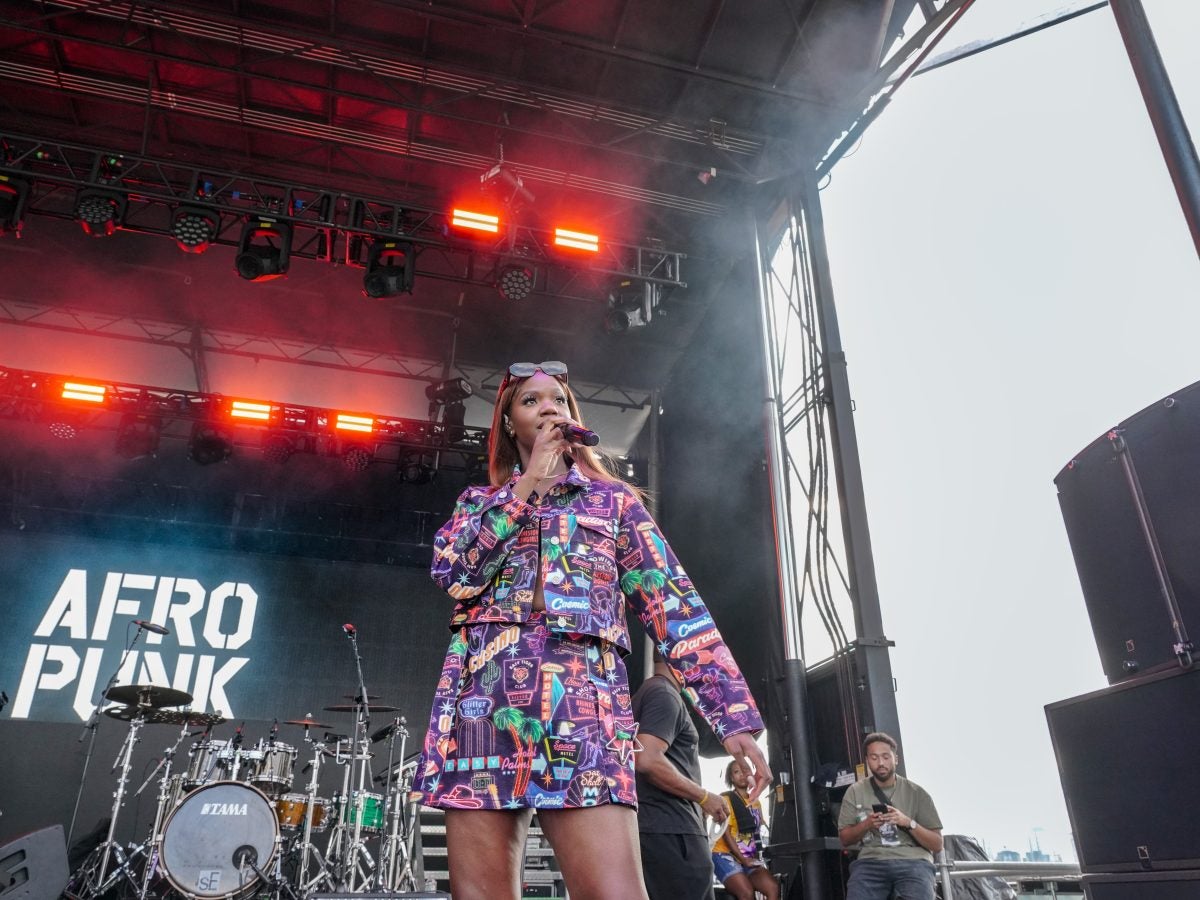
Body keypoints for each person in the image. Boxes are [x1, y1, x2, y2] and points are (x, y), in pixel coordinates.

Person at [411, 360, 772, 900]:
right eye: (531, 401)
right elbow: (455, 573)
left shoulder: (614, 502)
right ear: (510, 424)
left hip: (583, 707)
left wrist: (733, 716)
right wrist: (529, 483)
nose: (548, 406)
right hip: (486, 706)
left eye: (557, 398)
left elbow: (674, 604)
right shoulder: (479, 505)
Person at [632, 648, 730, 900]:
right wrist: (705, 797)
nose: (702, 665)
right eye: (698, 657)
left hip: (659, 830)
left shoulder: (652, 693)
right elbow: (647, 759)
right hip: (673, 833)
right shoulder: (664, 695)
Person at [837, 732, 944, 900]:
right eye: (874, 757)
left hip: (913, 860)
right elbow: (844, 839)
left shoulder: (917, 793)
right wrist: (867, 824)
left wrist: (908, 822)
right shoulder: (855, 791)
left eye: (886, 757)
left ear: (896, 759)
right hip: (871, 861)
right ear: (867, 761)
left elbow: (937, 844)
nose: (880, 763)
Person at [711, 758, 780, 900]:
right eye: (737, 772)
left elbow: (756, 834)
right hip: (724, 855)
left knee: (772, 887)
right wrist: (743, 859)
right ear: (731, 777)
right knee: (747, 893)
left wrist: (755, 859)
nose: (742, 775)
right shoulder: (725, 799)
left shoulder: (756, 802)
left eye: (745, 770)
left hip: (748, 857)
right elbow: (727, 834)